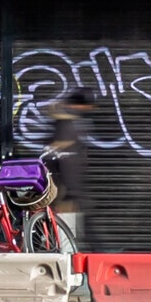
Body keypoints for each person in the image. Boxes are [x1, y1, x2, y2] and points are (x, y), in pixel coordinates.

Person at [47, 88, 97, 252]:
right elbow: (63, 159)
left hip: (70, 186)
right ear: (78, 105)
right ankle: (70, 260)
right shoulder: (65, 125)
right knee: (67, 229)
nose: (90, 109)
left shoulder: (69, 122)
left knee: (76, 228)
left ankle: (89, 254)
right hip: (66, 187)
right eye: (87, 105)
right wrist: (69, 189)